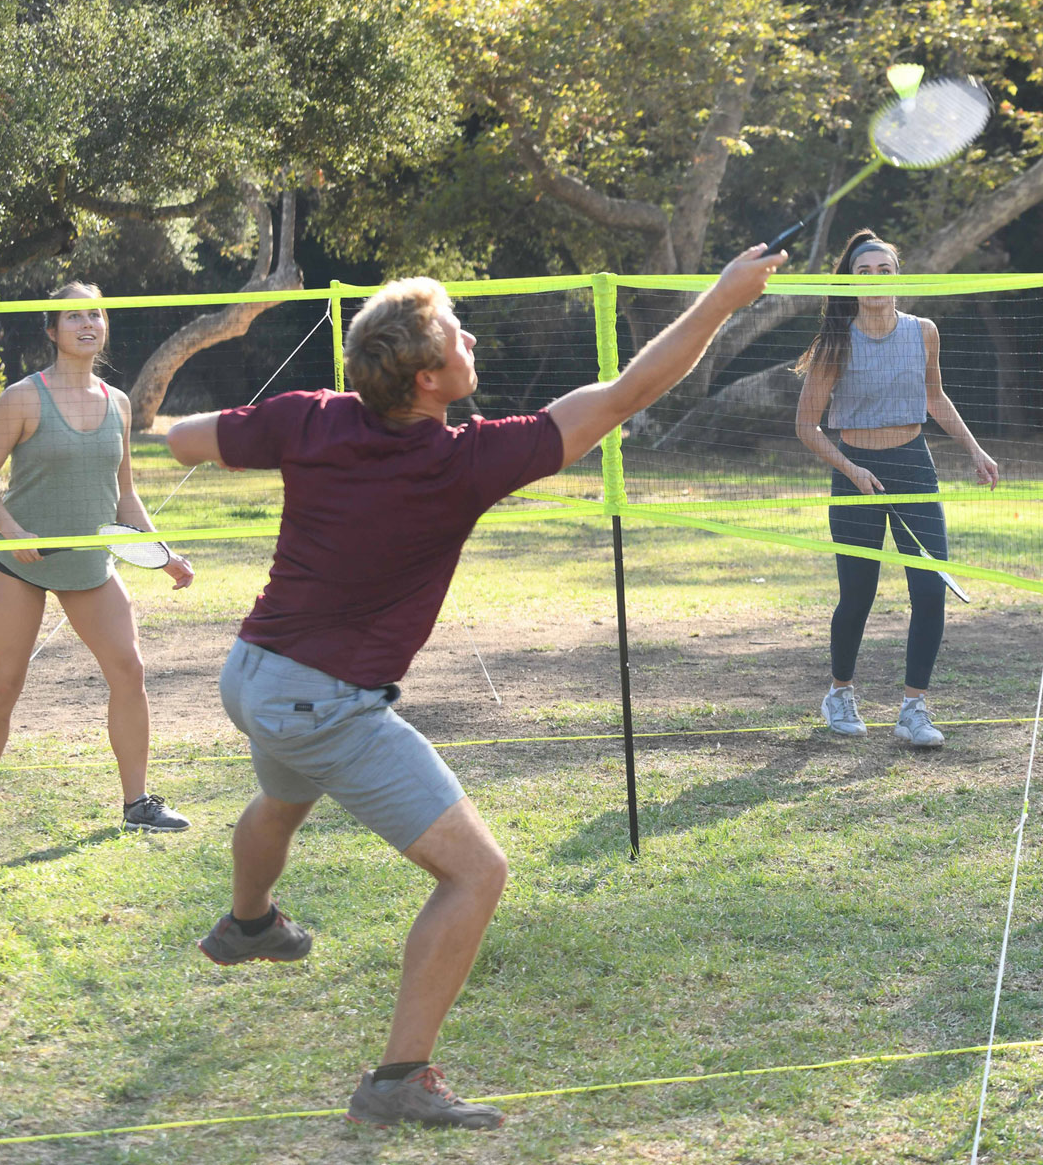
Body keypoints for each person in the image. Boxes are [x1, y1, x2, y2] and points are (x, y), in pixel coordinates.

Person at [166, 244, 786, 1132]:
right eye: (457, 335)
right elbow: (626, 395)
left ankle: (249, 925)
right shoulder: (462, 462)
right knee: (477, 873)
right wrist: (723, 298)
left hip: (251, 674)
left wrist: (246, 439)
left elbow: (184, 441)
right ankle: (397, 1079)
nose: (472, 341)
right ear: (426, 379)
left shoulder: (312, 417)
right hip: (321, 701)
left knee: (284, 795)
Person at [0, 282, 195, 837]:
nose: (87, 324)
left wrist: (163, 554)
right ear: (52, 331)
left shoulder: (119, 403)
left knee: (129, 670)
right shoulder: (22, 398)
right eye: (74, 316)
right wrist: (12, 532)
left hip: (89, 564)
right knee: (4, 684)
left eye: (96, 315)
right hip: (21, 563)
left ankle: (138, 804)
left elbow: (124, 495)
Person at [795, 229, 998, 745]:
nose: (874, 279)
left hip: (913, 466)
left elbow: (935, 397)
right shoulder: (835, 341)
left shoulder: (923, 331)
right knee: (857, 595)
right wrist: (850, 469)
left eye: (883, 270)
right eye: (863, 272)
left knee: (930, 590)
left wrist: (974, 449)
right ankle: (840, 692)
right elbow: (805, 425)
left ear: (897, 277)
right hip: (856, 472)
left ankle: (914, 710)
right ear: (850, 282)